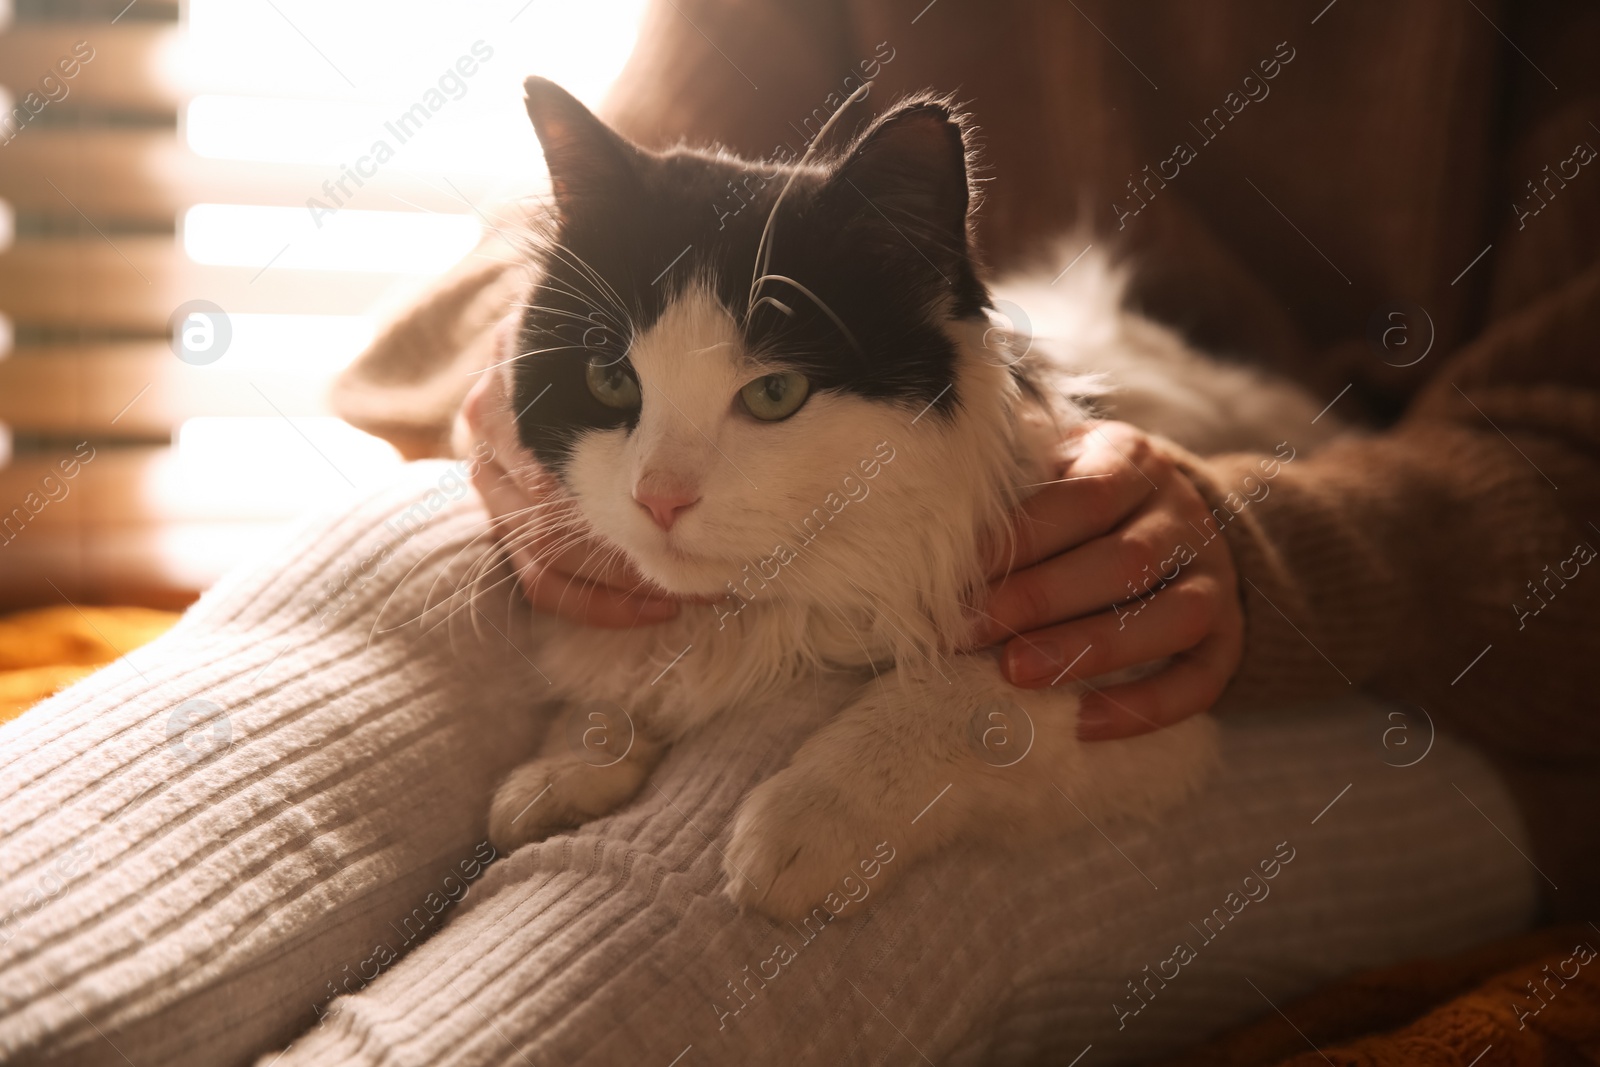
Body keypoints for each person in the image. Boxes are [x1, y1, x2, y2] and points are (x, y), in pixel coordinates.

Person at [461, 0, 1600, 914]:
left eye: (769, 394)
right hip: (955, 385)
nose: (662, 487)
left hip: (1424, 659)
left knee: (687, 894)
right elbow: (539, 246)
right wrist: (519, 373)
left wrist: (1275, 560)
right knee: (389, 575)